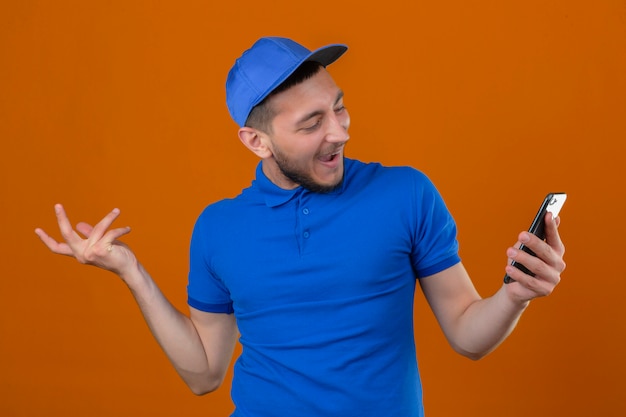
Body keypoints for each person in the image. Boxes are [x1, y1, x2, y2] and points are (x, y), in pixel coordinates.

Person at [35, 37, 566, 417]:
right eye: (311, 124)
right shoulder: (218, 228)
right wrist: (131, 273)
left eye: (339, 110)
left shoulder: (405, 194)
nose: (338, 133)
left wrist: (515, 294)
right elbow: (203, 375)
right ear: (256, 142)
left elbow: (468, 335)